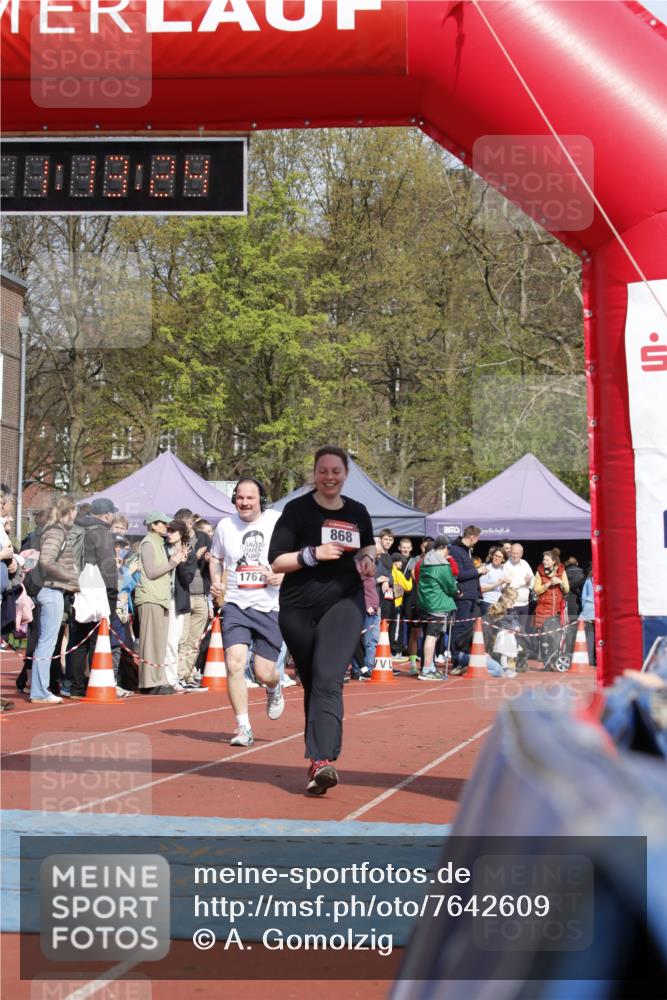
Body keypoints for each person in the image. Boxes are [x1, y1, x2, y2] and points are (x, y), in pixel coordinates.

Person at [269, 446, 375, 795]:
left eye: (336, 471)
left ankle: (322, 760)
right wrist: (313, 554)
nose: (330, 477)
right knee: (315, 683)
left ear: (346, 475)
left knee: (329, 678)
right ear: (314, 474)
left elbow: (367, 546)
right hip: (298, 609)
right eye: (323, 471)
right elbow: (276, 562)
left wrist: (368, 560)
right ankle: (319, 758)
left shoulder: (357, 511)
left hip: (344, 602)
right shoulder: (296, 511)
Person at [210, 478, 285, 747]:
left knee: (263, 672)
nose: (244, 503)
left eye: (250, 498)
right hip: (235, 605)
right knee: (234, 664)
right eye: (240, 498)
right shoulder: (225, 526)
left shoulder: (277, 521)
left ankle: (274, 686)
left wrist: (283, 575)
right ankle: (243, 727)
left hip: (269, 606)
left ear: (260, 500)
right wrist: (216, 580)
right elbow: (216, 557)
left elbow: (297, 556)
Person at [29, 497, 80, 704]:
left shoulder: (54, 530)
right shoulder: (56, 532)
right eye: (75, 511)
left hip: (51, 589)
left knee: (46, 642)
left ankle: (40, 689)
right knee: (47, 643)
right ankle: (39, 691)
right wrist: (69, 578)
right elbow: (47, 561)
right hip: (51, 590)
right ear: (70, 511)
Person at [134, 511, 187, 695]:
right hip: (150, 597)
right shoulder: (149, 543)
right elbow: (151, 572)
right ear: (154, 525)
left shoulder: (157, 543)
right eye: (164, 524)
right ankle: (149, 682)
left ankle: (156, 680)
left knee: (158, 643)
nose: (167, 527)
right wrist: (172, 563)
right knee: (150, 643)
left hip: (159, 598)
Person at [415, 536, 458, 680]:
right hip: (437, 604)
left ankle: (430, 667)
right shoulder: (442, 565)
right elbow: (450, 586)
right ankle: (426, 669)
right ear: (446, 547)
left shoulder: (424, 561)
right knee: (432, 636)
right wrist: (457, 591)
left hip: (424, 602)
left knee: (429, 635)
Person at [449, 525, 488, 675]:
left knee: (467, 630)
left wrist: (478, 573)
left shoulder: (467, 551)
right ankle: (456, 661)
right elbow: (458, 574)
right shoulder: (455, 550)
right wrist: (478, 571)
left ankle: (464, 660)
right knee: (459, 629)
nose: (477, 541)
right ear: (472, 537)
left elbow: (466, 572)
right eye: (477, 539)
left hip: (472, 596)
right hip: (463, 596)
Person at [533, 549, 570, 668]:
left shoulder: (561, 571)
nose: (544, 562)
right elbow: (536, 590)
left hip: (557, 611)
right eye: (544, 559)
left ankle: (555, 660)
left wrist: (560, 582)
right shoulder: (539, 572)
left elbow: (567, 589)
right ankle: (546, 662)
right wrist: (548, 584)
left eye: (547, 560)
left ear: (553, 561)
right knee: (545, 639)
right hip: (543, 610)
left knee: (556, 638)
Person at [479, 547, 509, 615]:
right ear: (492, 556)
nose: (497, 558)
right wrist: (498, 583)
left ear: (503, 559)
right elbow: (481, 589)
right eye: (496, 555)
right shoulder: (486, 569)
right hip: (487, 602)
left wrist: (507, 585)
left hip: (499, 603)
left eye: (499, 557)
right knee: (486, 622)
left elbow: (502, 591)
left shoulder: (503, 571)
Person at [579, 564, 596, 665]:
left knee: (589, 637)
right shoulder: (606, 578)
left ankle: (590, 660)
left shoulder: (589, 579)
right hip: (601, 611)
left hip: (589, 610)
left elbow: (584, 597)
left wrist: (584, 610)